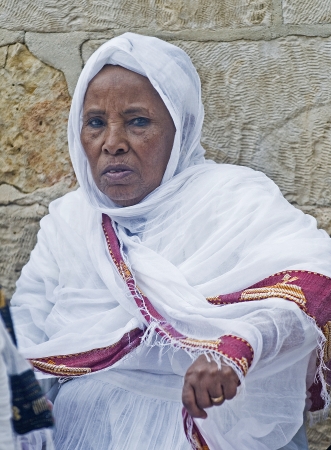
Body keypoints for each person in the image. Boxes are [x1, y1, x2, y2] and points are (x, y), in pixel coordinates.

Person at [10, 33, 331, 450]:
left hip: (219, 429)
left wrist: (236, 349)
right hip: (85, 431)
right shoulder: (71, 222)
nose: (112, 143)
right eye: (95, 123)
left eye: (137, 121)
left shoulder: (232, 198)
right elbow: (24, 331)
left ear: (180, 128)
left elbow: (313, 283)